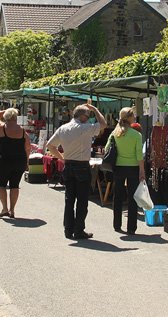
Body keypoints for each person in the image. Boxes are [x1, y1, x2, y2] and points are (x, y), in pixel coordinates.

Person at [47, 101, 106, 240]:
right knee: (82, 200)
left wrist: (62, 157)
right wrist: (96, 109)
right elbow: (103, 124)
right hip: (82, 166)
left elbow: (50, 145)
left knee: (69, 199)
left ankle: (68, 230)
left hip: (69, 165)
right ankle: (79, 230)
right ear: (83, 116)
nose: (89, 117)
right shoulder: (85, 128)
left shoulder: (63, 128)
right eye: (88, 114)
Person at [105, 107, 145, 235]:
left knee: (118, 196)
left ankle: (117, 225)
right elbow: (139, 155)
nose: (134, 118)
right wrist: (142, 171)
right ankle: (131, 228)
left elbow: (106, 149)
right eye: (133, 116)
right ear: (129, 118)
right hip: (133, 167)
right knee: (132, 197)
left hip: (118, 167)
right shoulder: (136, 135)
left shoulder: (115, 133)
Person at [0, 108, 30, 219]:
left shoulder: (2, 127)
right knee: (15, 186)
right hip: (19, 161)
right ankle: (12, 210)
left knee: (1, 185)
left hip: (4, 161)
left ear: (6, 117)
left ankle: (5, 208)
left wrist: (2, 111)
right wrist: (27, 161)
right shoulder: (22, 131)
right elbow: (28, 147)